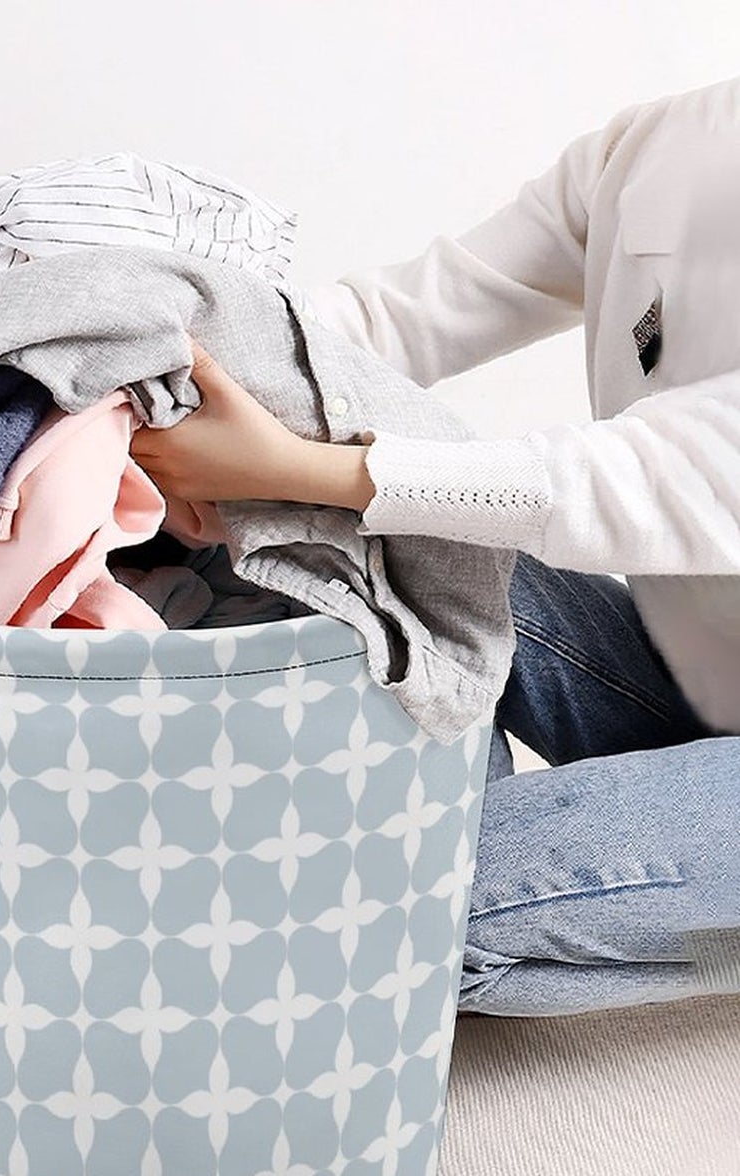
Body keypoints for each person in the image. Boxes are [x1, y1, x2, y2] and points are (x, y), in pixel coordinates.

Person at [130, 75, 740, 1016]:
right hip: (699, 684)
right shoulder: (659, 146)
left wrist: (299, 465)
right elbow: (400, 319)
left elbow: (651, 472)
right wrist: (158, 368)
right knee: (361, 546)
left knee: (390, 912)